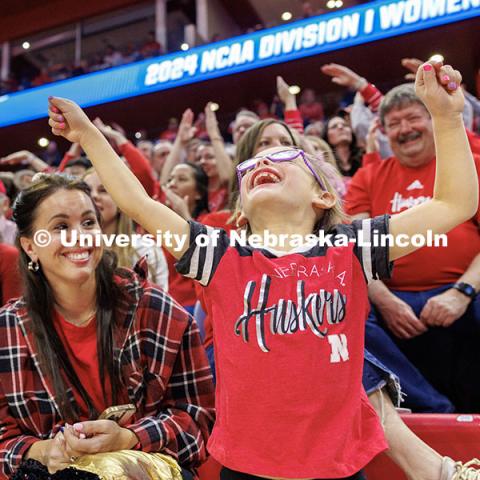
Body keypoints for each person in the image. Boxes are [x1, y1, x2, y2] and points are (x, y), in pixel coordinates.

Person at [47, 61, 480, 479]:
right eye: (249, 167)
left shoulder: (352, 247)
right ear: (239, 212)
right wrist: (87, 134)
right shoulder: (218, 253)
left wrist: (445, 116)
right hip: (248, 468)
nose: (261, 164)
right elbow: (138, 202)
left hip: (339, 468)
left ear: (323, 197)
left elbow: (454, 203)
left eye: (284, 156)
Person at [0, 174, 215, 478]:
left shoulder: (155, 308)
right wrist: (46, 450)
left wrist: (130, 438)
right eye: (61, 227)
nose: (81, 236)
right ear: (30, 247)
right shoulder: (7, 331)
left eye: (89, 223)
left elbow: (200, 420)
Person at [344, 82, 480, 412]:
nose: (405, 129)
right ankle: (435, 410)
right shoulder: (369, 175)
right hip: (393, 296)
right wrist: (385, 300)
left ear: (434, 119)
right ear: (383, 131)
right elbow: (355, 248)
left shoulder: (472, 163)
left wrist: (462, 291)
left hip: (467, 288)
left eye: (413, 118)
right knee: (341, 310)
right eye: (394, 123)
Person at [83, 169, 169, 290]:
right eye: (87, 191)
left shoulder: (144, 250)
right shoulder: (69, 247)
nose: (94, 196)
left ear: (121, 201)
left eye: (103, 190)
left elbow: (154, 304)